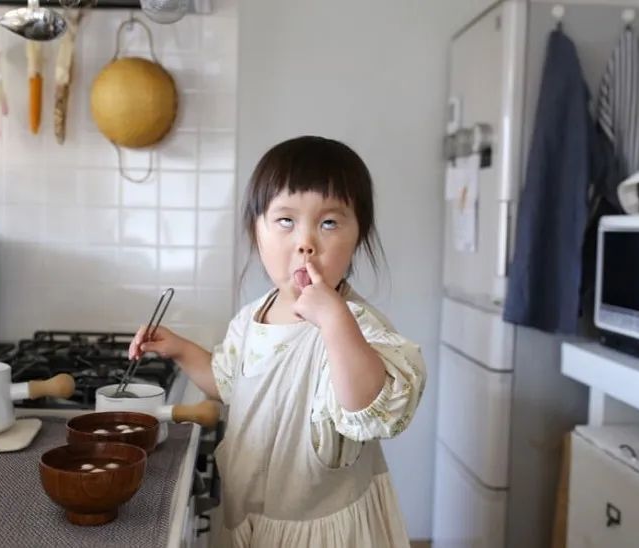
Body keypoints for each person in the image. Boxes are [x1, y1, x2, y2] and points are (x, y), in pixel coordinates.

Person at [130, 135, 425, 547]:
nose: (306, 242)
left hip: (323, 531)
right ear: (258, 231)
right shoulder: (252, 318)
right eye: (286, 221)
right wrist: (179, 348)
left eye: (329, 223)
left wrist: (334, 320)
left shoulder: (356, 325)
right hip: (249, 514)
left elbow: (372, 410)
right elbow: (228, 383)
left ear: (358, 236)